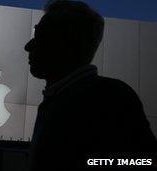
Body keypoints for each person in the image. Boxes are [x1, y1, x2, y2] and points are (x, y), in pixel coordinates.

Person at [24, 0, 157, 170]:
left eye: (40, 35)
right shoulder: (55, 100)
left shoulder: (112, 98)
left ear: (66, 42)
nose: (28, 46)